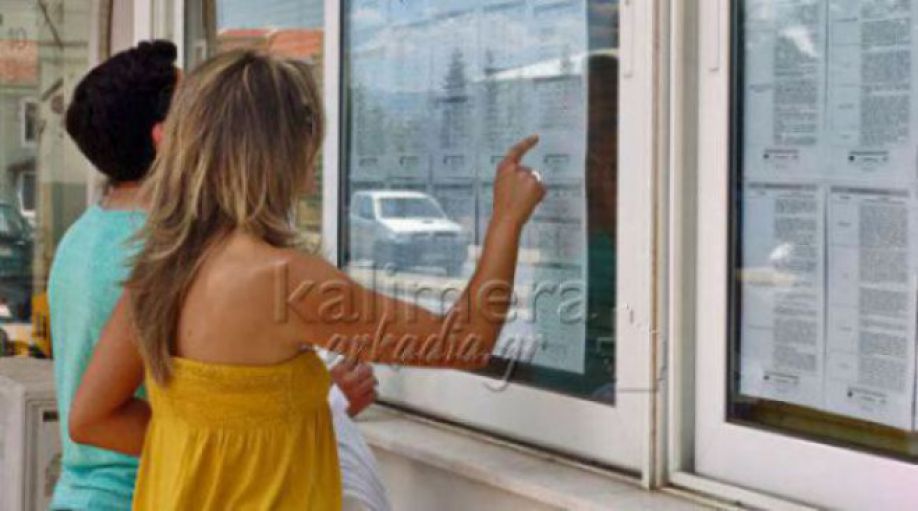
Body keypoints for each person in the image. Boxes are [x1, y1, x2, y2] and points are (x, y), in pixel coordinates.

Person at [67, 49, 544, 510]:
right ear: (280, 152)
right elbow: (464, 341)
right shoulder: (284, 280)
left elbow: (92, 419)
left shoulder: (158, 271)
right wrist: (506, 220)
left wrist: (209, 451)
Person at [49, 41, 385, 511]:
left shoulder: (81, 237)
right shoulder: (173, 256)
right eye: (200, 107)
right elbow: (211, 416)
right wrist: (323, 405)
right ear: (167, 138)